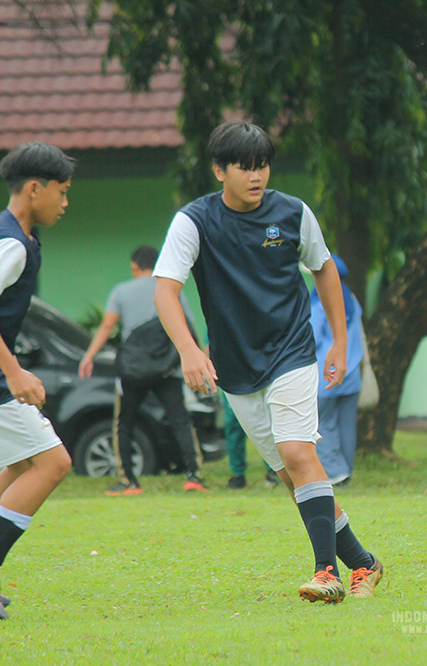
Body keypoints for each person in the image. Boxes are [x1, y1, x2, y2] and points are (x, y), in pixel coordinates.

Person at [152, 120, 382, 603]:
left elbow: (324, 270)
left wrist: (340, 342)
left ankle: (326, 572)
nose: (256, 176)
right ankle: (363, 562)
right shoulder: (194, 221)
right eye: (245, 167)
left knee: (299, 455)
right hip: (235, 367)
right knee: (291, 476)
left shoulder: (293, 213)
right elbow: (165, 290)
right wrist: (189, 349)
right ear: (219, 171)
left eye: (262, 166)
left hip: (292, 351)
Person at [0, 142, 75, 620]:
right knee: (53, 463)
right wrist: (12, 370)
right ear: (35, 188)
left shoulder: (15, 236)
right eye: (62, 191)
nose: (65, 202)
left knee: (22, 463)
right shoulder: (12, 243)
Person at [80, 246, 207, 495]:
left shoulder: (121, 291)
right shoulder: (170, 290)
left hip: (133, 370)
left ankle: (129, 481)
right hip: (166, 369)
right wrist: (199, 356)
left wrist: (89, 355)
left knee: (124, 423)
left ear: (134, 266)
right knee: (181, 420)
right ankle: (194, 477)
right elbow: (187, 325)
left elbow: (107, 326)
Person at [309, 254, 364, 486]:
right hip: (351, 374)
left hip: (326, 374)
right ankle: (346, 470)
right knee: (346, 425)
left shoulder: (319, 301)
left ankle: (336, 471)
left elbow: (311, 337)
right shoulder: (351, 299)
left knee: (322, 423)